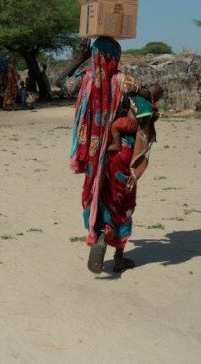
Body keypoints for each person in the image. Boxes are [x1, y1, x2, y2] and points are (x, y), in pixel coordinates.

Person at [70, 37, 158, 274]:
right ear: (115, 56)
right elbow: (147, 98)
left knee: (100, 195)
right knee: (122, 200)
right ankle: (118, 256)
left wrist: (80, 58)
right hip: (123, 151)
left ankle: (99, 234)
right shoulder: (123, 81)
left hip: (96, 152)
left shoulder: (86, 80)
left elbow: (64, 83)